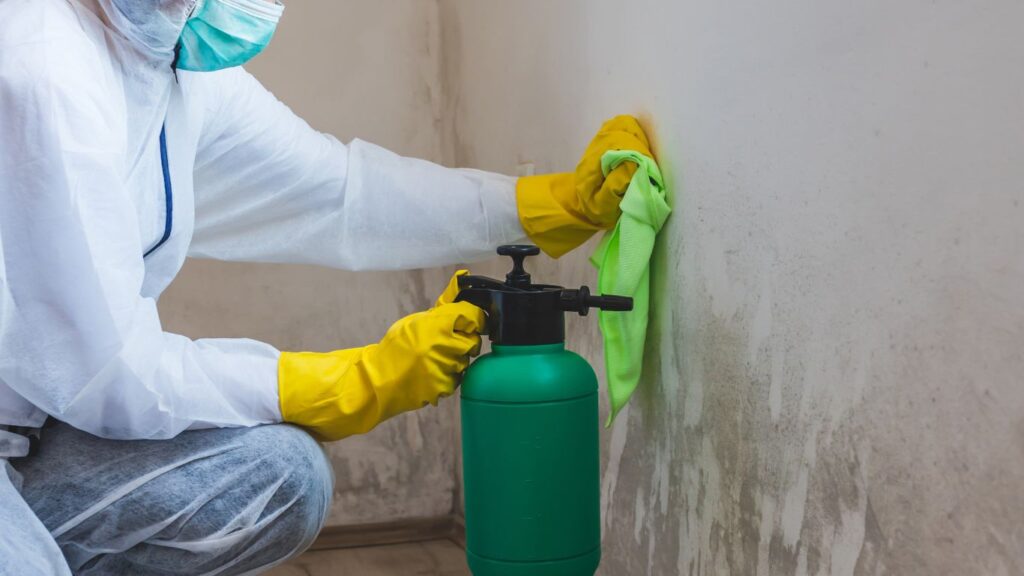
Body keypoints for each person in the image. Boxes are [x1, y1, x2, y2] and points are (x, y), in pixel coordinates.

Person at [0, 0, 653, 574]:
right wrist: (352, 380)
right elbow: (108, 374)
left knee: (280, 475)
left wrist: (547, 207)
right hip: (53, 409)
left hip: (35, 429)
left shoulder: (170, 61)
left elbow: (340, 194)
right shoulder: (43, 68)